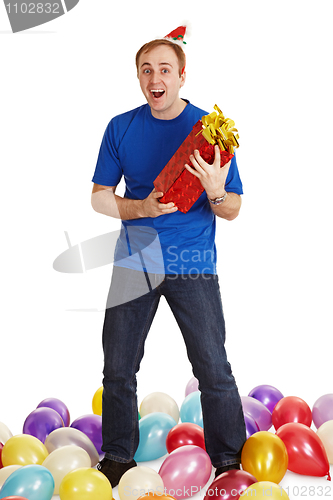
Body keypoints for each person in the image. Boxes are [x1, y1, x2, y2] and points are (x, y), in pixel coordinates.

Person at [91, 28, 246, 488]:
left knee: (212, 367)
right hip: (133, 263)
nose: (155, 77)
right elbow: (99, 197)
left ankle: (229, 460)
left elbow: (234, 207)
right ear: (139, 78)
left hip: (192, 264)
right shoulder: (121, 126)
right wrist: (141, 207)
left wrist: (216, 193)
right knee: (118, 367)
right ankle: (117, 456)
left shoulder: (209, 132)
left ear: (181, 76)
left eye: (164, 69)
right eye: (146, 70)